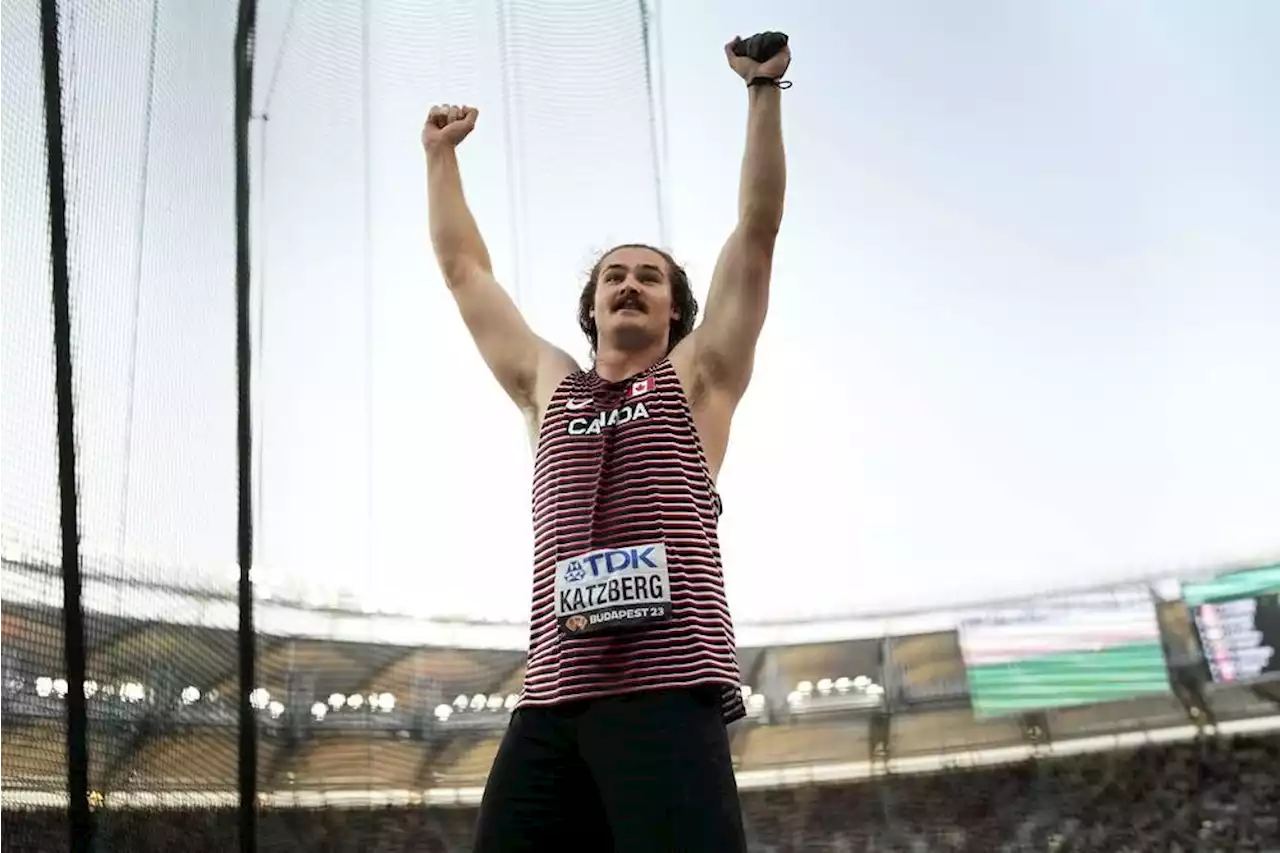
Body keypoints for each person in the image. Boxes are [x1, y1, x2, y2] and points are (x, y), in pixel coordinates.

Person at [422, 32, 790, 853]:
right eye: (614, 276)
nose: (629, 283)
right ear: (591, 309)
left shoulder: (697, 380)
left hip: (667, 690)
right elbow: (465, 273)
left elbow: (757, 232)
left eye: (650, 277)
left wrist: (763, 92)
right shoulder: (551, 385)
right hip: (553, 698)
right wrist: (440, 157)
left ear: (674, 313)